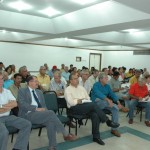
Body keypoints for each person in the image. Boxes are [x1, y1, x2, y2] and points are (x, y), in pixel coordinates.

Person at [18, 75, 78, 150]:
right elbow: (22, 105)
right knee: (50, 113)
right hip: (28, 114)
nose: (38, 83)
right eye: (36, 81)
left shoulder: (39, 92)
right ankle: (65, 134)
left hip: (40, 115)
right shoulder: (22, 91)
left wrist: (44, 111)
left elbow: (44, 106)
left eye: (37, 81)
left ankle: (52, 146)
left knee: (51, 122)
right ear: (30, 82)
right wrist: (36, 109)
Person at [64, 73, 120, 146]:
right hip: (74, 108)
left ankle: (96, 137)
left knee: (95, 114)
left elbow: (88, 98)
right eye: (75, 79)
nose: (77, 80)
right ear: (70, 81)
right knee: (93, 105)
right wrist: (79, 100)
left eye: (77, 78)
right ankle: (107, 121)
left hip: (85, 106)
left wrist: (82, 100)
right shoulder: (68, 90)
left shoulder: (81, 88)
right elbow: (70, 102)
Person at [0, 72, 31, 150]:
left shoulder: (6, 91)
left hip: (8, 116)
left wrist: (4, 107)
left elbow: (15, 104)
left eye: (2, 79)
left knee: (26, 124)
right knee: (4, 132)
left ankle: (18, 148)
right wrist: (9, 106)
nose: (1, 81)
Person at [91, 72, 123, 137]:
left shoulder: (107, 86)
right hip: (96, 104)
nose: (107, 80)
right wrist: (108, 100)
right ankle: (116, 106)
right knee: (105, 102)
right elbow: (98, 94)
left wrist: (118, 102)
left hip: (105, 103)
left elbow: (112, 94)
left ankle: (114, 129)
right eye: (106, 78)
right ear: (100, 79)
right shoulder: (95, 85)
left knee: (115, 109)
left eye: (107, 78)